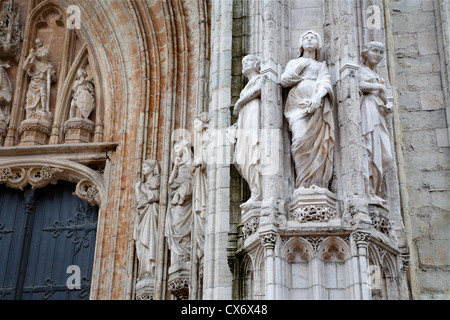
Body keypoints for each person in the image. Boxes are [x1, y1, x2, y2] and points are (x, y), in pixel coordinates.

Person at [281, 30, 335, 190]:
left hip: (316, 104)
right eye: (306, 38)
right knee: (299, 141)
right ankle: (302, 182)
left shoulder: (321, 65)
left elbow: (325, 82)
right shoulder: (294, 62)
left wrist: (318, 97)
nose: (310, 40)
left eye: (313, 38)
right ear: (301, 44)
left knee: (318, 144)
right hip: (296, 105)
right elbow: (284, 80)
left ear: (318, 44)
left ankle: (317, 182)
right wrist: (302, 64)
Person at [359, 41, 393, 205]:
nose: (378, 55)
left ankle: (375, 189)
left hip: (379, 113)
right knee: (369, 148)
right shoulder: (359, 70)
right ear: (365, 53)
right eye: (375, 51)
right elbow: (357, 84)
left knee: (386, 156)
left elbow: (387, 97)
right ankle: (369, 191)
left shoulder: (380, 78)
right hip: (367, 110)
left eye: (381, 52)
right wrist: (378, 88)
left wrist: (388, 104)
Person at [233, 55, 263, 209]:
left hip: (254, 118)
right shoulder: (246, 87)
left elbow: (260, 90)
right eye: (243, 61)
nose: (244, 63)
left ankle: (259, 193)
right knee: (241, 157)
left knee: (254, 151)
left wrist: (239, 102)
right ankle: (255, 191)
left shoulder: (260, 78)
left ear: (257, 64)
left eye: (249, 60)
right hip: (245, 120)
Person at [134, 159, 160, 280]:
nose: (143, 168)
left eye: (145, 166)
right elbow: (140, 201)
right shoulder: (144, 184)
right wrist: (137, 189)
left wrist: (143, 189)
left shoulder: (156, 180)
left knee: (150, 240)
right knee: (142, 242)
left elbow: (153, 197)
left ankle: (151, 269)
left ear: (152, 168)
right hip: (144, 216)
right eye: (143, 166)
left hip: (151, 214)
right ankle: (145, 269)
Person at [23, 38, 56, 119]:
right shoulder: (35, 63)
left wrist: (51, 74)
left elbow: (55, 79)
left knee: (42, 92)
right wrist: (29, 57)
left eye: (45, 53)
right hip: (33, 83)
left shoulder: (49, 65)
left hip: (42, 81)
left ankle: (43, 108)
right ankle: (32, 112)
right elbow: (25, 67)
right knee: (31, 99)